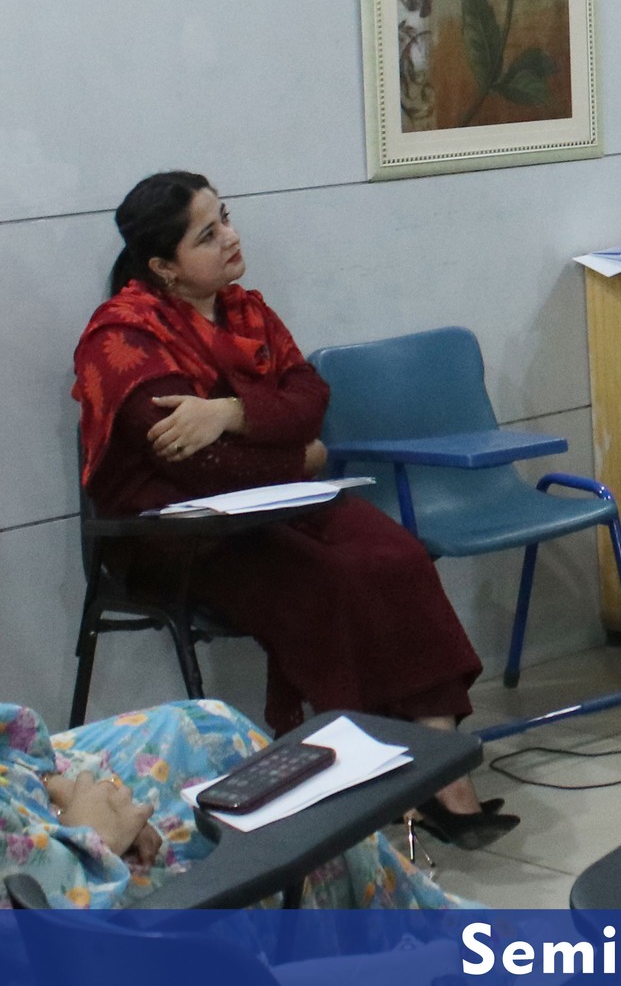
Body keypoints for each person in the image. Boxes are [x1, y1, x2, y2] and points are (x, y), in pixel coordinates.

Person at [71, 172, 515, 848]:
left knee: (396, 556)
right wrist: (302, 457)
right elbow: (197, 468)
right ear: (163, 267)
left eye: (226, 217)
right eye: (207, 234)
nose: (231, 237)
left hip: (275, 504)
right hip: (180, 534)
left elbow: (310, 400)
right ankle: (370, 777)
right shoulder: (121, 340)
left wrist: (231, 412)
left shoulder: (246, 312)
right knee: (331, 581)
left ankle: (437, 768)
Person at [0, 699, 449, 908]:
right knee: (302, 836)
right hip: (65, 893)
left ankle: (424, 912)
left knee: (205, 728)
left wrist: (55, 782)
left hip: (24, 788)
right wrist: (91, 836)